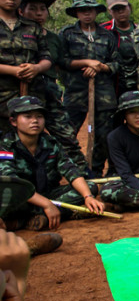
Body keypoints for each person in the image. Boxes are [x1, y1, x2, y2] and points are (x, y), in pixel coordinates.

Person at [0, 96, 103, 233]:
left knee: (90, 187)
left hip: (47, 195)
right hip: (21, 199)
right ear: (13, 121)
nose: (35, 121)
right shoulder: (5, 147)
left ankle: (33, 219)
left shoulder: (50, 142)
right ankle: (58, 212)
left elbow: (70, 170)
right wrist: (47, 204)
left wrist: (88, 197)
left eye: (39, 116)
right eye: (28, 116)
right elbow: (15, 184)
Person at [18, 0, 89, 174]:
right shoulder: (15, 35)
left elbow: (61, 63)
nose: (39, 13)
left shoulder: (53, 38)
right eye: (33, 9)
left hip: (49, 91)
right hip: (22, 93)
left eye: (42, 9)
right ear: (21, 10)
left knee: (67, 136)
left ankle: (81, 175)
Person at [60, 0, 119, 176]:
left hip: (103, 93)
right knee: (67, 132)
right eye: (82, 10)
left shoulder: (107, 36)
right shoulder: (67, 34)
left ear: (96, 12)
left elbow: (116, 64)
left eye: (90, 10)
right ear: (76, 13)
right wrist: (86, 63)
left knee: (103, 135)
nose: (87, 14)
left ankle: (96, 170)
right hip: (76, 91)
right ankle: (73, 171)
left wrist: (100, 67)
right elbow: (61, 61)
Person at [0, 0, 52, 135]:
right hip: (2, 96)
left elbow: (46, 57)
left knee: (29, 145)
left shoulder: (32, 27)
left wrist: (36, 68)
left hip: (31, 97)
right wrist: (14, 71)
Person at [101, 0, 139, 96]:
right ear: (110, 11)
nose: (121, 12)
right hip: (114, 85)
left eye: (123, 8)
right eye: (116, 9)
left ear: (129, 8)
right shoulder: (103, 31)